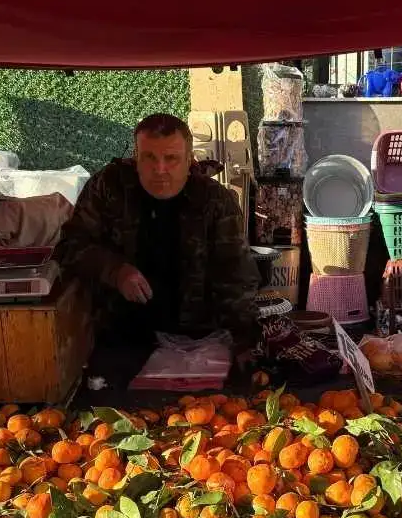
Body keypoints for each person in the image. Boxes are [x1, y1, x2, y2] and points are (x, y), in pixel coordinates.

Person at [55, 113, 260, 383]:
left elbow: (235, 276)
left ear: (189, 161)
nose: (160, 169)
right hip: (119, 335)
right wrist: (114, 271)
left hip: (196, 340)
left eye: (171, 159)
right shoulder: (108, 188)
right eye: (149, 158)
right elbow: (70, 245)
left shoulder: (215, 201)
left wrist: (246, 341)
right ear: (135, 157)